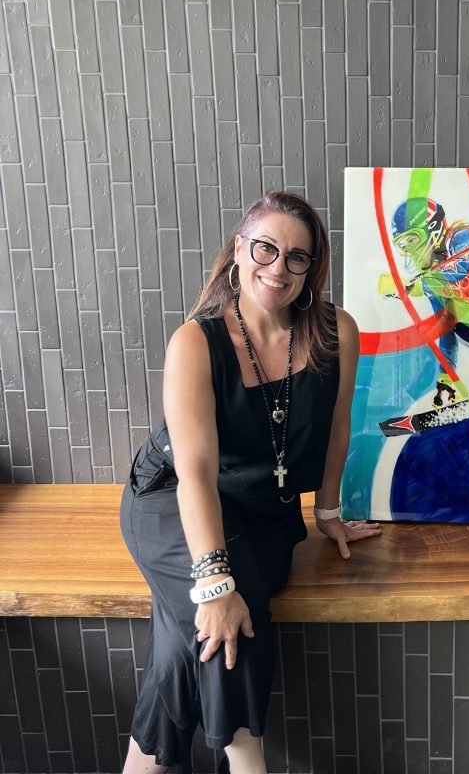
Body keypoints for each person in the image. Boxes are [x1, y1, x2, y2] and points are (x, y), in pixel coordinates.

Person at [120, 190, 381, 774]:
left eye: (297, 257)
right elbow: (194, 473)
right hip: (172, 502)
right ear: (240, 248)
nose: (278, 267)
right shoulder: (195, 342)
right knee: (233, 613)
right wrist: (214, 584)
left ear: (311, 269)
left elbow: (338, 428)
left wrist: (329, 513)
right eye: (266, 248)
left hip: (263, 510)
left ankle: (143, 765)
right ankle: (248, 762)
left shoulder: (336, 331)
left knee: (186, 642)